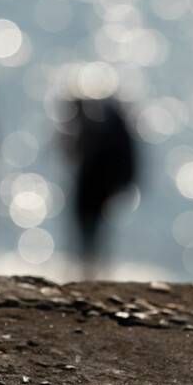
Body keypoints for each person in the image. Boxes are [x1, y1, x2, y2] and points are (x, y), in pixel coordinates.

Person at [62, 96, 137, 270]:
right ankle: (91, 268)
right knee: (93, 230)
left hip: (91, 187)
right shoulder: (104, 125)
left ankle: (88, 269)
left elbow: (71, 153)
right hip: (99, 187)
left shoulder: (91, 127)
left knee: (87, 229)